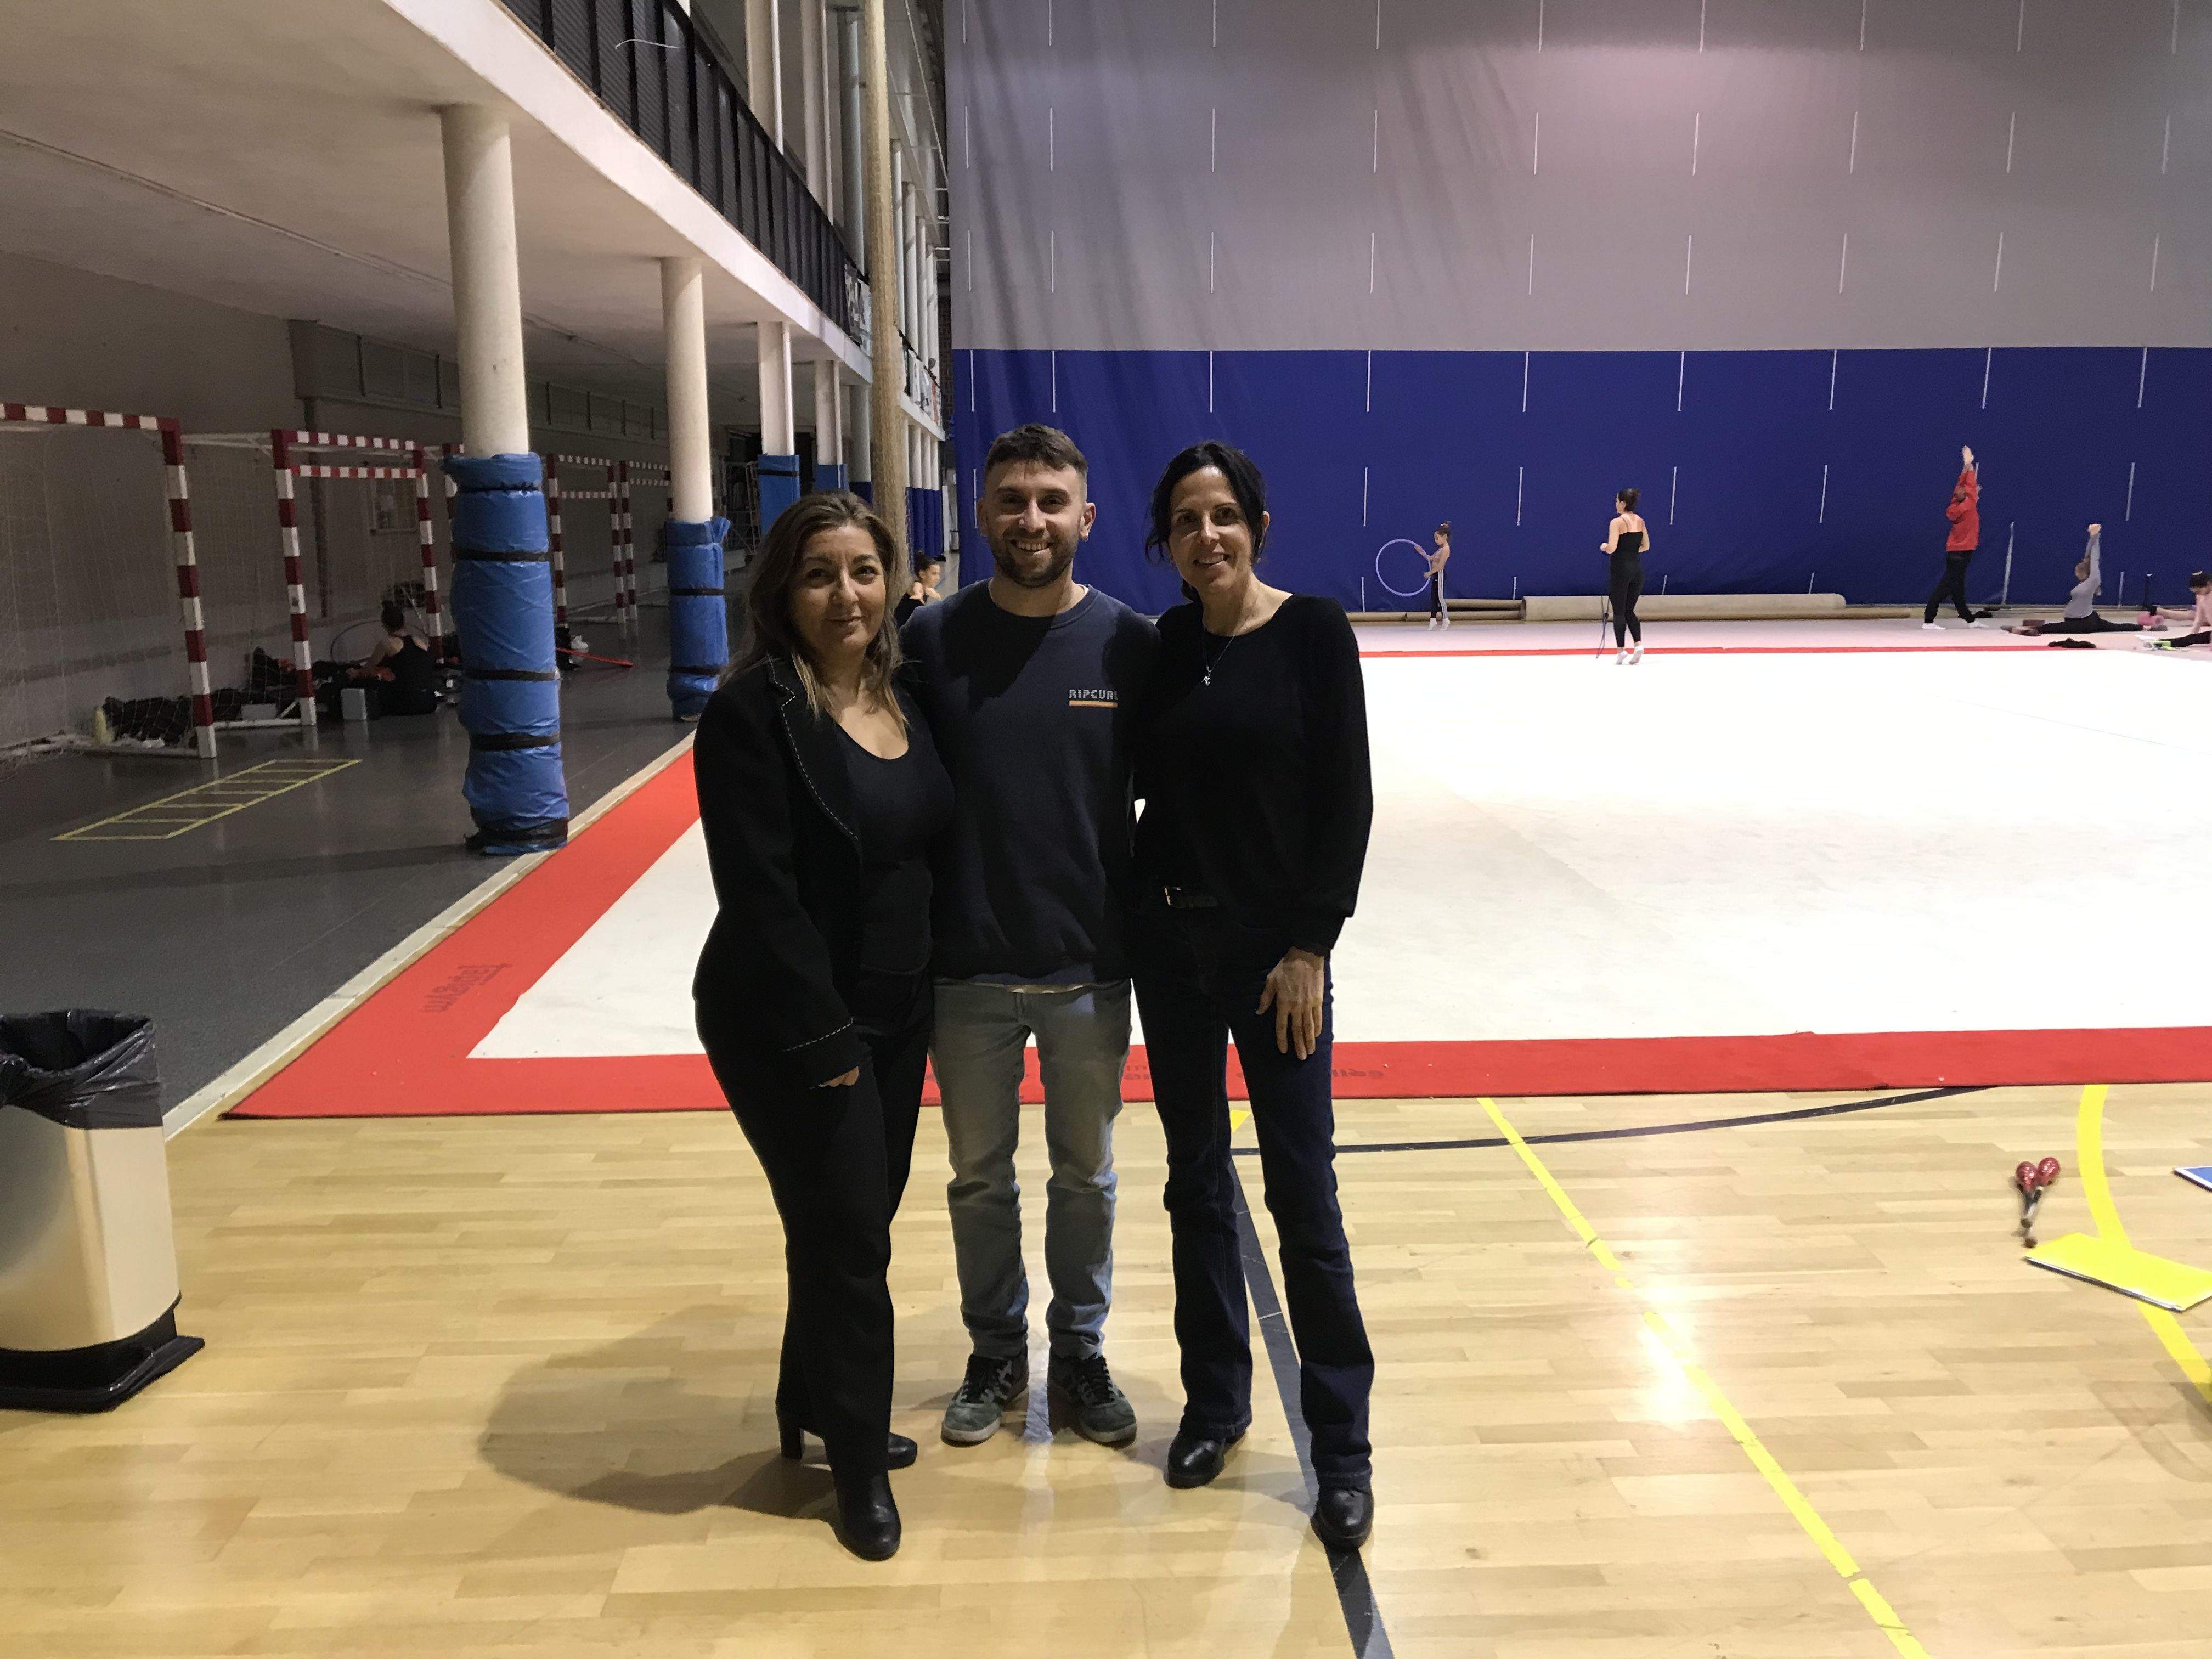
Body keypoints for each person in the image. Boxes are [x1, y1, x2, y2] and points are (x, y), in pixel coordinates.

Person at [691, 492, 952, 1562]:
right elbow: (762, 896)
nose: (844, 594)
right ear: (780, 594)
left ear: (888, 579)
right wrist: (825, 1044)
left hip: (898, 1011)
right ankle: (853, 1464)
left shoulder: (906, 693)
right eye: (818, 575)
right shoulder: (753, 712)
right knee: (850, 1239)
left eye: (861, 571)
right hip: (790, 1019)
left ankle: (810, 1400)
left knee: (850, 1224)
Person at [1129, 440, 1379, 1551]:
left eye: (1223, 514)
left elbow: (1347, 800)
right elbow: (1135, 794)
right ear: (1168, 543)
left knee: (1304, 1204)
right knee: (1195, 1187)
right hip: (1176, 956)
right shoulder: (1169, 644)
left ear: (1258, 526)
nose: (1207, 535)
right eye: (1186, 520)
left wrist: (1311, 949)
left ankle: (1342, 1450)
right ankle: (1216, 1405)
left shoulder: (1316, 632)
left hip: (1279, 966)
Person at [901, 424, 1159, 1452]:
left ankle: (1080, 1347)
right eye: (1012, 499)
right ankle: (996, 1347)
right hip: (962, 967)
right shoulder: (928, 640)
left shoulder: (1128, 646)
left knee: (1086, 1175)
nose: (1031, 519)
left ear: (1085, 517)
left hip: (1088, 962)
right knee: (978, 1175)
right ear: (981, 514)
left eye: (1052, 500)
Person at [2007, 525, 2143, 636]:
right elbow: (2088, 556)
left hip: (2084, 622)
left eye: (2078, 570)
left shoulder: (2093, 580)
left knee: (2054, 628)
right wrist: (2092, 538)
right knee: (2115, 627)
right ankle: (2146, 628)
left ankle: (2022, 631)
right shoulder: (2085, 583)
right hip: (2083, 619)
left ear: (2084, 571)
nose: (2076, 572)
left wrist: (2096, 535)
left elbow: (2094, 558)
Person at [1922, 447, 1990, 630]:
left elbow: (1963, 484)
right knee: (1946, 585)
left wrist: (1966, 467)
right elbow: (1969, 486)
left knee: (1958, 588)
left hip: (1958, 550)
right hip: (1961, 551)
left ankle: (1969, 620)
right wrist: (1968, 464)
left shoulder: (1956, 504)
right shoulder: (1968, 504)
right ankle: (1929, 619)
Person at [352, 601, 440, 714]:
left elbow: (367, 670)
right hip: (429, 703)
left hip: (403, 704)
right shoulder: (420, 642)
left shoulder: (386, 644)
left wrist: (355, 673)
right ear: (404, 623)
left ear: (384, 626)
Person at [1601, 488, 1649, 664]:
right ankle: (1638, 644)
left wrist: (1605, 546)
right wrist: (1630, 549)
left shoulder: (1617, 522)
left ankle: (1621, 651)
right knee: (1630, 610)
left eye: (1617, 501)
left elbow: (1612, 548)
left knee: (1619, 611)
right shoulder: (1641, 521)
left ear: (1623, 503)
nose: (1615, 504)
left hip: (1621, 569)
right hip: (1637, 569)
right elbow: (1646, 546)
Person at [2140, 570, 2212, 650]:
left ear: (2208, 584)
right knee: (2190, 639)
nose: (2198, 594)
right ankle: (2161, 642)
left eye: (2199, 591)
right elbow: (2199, 617)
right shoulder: (2200, 597)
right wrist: (2193, 634)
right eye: (2196, 592)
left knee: (2191, 636)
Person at [895, 551, 946, 627]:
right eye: (934, 574)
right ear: (922, 574)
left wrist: (937, 597)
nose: (938, 578)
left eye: (939, 574)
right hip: (898, 627)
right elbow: (917, 589)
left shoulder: (926, 589)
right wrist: (917, 594)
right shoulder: (918, 585)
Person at [1424, 523, 1453, 630]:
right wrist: (1421, 552)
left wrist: (1430, 573)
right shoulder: (1440, 549)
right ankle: (1433, 620)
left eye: (1437, 538)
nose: (1436, 541)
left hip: (1439, 574)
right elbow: (1431, 558)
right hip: (1436, 574)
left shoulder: (1446, 549)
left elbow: (1440, 566)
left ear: (1444, 537)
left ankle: (1446, 619)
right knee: (1434, 598)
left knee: (1440, 598)